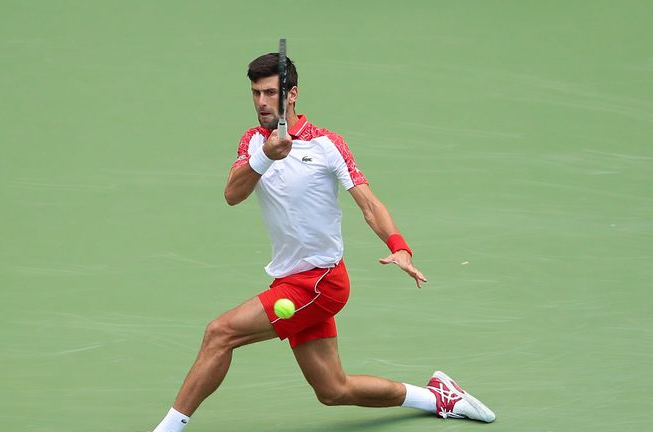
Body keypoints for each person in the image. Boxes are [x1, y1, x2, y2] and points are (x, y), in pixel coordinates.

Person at [150, 52, 495, 432]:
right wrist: (265, 157)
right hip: (290, 280)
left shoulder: (327, 145)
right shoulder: (253, 142)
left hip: (319, 282)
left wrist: (398, 246)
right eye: (255, 93)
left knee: (220, 333)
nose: (262, 102)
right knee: (333, 389)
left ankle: (167, 428)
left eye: (270, 93)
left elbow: (368, 203)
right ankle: (438, 396)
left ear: (292, 94)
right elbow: (233, 194)